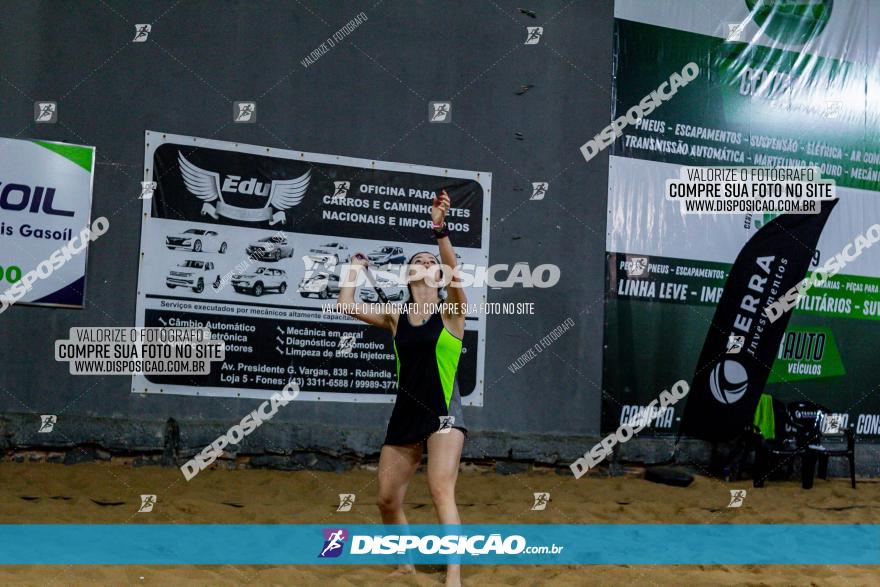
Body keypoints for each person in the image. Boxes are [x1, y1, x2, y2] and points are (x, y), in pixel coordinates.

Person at [337, 190, 467, 587]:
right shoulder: (395, 316)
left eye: (430, 262)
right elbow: (346, 304)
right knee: (387, 499)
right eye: (417, 262)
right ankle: (406, 564)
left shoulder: (452, 310)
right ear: (408, 275)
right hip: (406, 412)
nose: (426, 263)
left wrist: (439, 229)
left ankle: (454, 577)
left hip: (444, 411)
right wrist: (353, 269)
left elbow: (454, 270)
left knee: (440, 488)